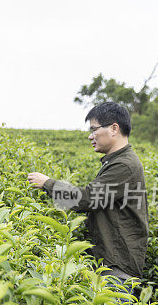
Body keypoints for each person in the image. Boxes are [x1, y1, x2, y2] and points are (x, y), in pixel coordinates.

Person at [27, 101, 148, 293]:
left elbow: (85, 199)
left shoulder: (124, 165)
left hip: (116, 270)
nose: (90, 136)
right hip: (111, 265)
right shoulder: (117, 162)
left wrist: (47, 183)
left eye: (94, 130)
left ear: (114, 128)